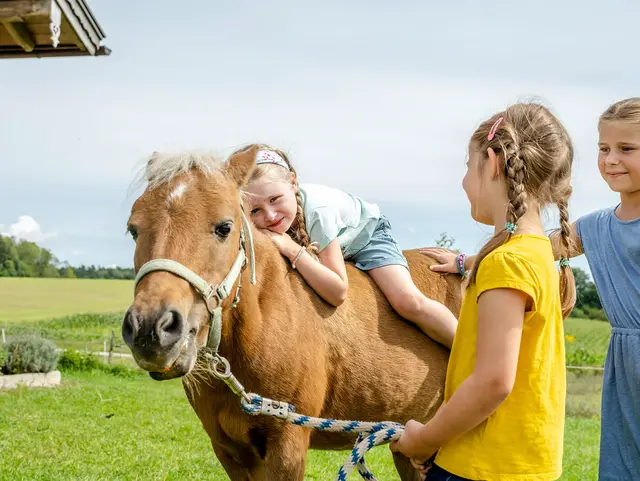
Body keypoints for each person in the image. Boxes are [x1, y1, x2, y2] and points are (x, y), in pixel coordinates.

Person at [424, 97, 640, 480]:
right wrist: (465, 263)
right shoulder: (596, 226)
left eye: (627, 148)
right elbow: (537, 248)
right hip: (624, 359)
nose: (610, 159)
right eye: (604, 148)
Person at [390, 102, 576, 480]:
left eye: (466, 165)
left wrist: (425, 439)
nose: (462, 181)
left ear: (492, 161)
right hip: (522, 463)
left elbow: (492, 382)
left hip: (482, 467)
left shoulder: (506, 263)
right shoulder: (538, 252)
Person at [236, 143, 458, 349]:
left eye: (275, 199)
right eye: (255, 210)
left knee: (407, 302)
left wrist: (291, 249)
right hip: (326, 243)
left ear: (293, 183)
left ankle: (470, 351)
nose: (270, 215)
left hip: (366, 236)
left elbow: (338, 292)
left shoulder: (318, 212)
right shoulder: (270, 221)